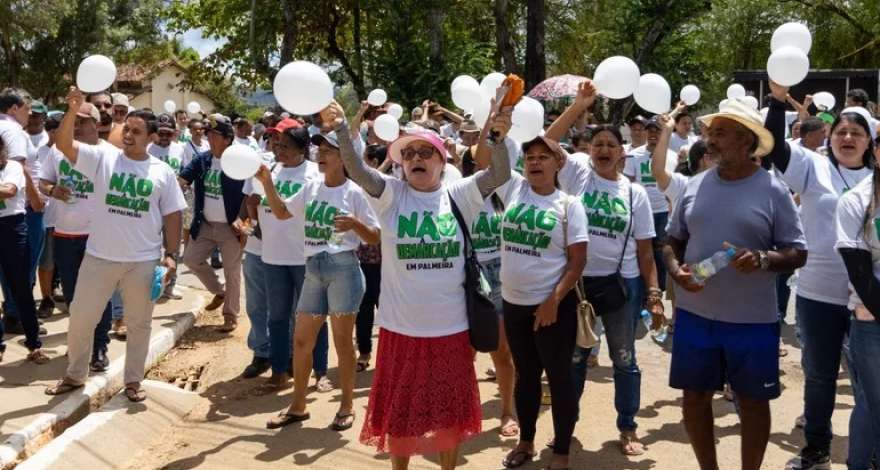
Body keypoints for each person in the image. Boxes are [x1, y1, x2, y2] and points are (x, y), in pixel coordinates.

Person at [330, 92, 511, 469]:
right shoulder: (391, 194)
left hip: (451, 330)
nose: (416, 159)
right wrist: (342, 129)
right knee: (402, 416)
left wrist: (496, 136)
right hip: (401, 331)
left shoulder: (459, 194)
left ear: (442, 161)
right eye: (408, 154)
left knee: (448, 416)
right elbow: (357, 170)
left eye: (425, 152)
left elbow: (498, 175)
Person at [664, 98, 807, 470]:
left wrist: (762, 258)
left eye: (721, 133)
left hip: (752, 320)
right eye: (710, 133)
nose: (710, 141)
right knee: (694, 398)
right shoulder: (694, 185)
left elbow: (797, 252)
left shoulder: (773, 190)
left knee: (754, 403)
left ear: (746, 141)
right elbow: (672, 240)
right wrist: (675, 270)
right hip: (696, 316)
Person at [46, 87, 186, 402]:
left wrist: (171, 255)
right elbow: (64, 144)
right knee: (80, 318)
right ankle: (75, 375)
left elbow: (173, 215)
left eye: (137, 131)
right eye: (127, 129)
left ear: (151, 137)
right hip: (99, 258)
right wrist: (72, 110)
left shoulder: (162, 172)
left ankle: (133, 381)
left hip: (143, 262)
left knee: (139, 324)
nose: (128, 135)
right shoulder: (103, 158)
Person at [547, 81, 664, 456]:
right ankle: (566, 426)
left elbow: (646, 251)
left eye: (611, 145)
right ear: (590, 150)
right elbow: (548, 141)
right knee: (574, 359)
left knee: (624, 359)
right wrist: (578, 106)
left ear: (622, 154)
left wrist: (654, 294)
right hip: (577, 286)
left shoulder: (635, 193)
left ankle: (627, 427)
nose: (604, 150)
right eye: (598, 144)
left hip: (621, 288)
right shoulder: (579, 174)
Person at [765, 81, 875, 470]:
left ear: (869, 142)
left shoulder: (877, 179)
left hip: (868, 300)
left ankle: (869, 452)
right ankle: (817, 447)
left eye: (857, 132)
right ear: (830, 136)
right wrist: (777, 99)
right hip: (817, 292)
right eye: (841, 131)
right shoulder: (813, 166)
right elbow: (773, 147)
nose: (848, 138)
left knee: (868, 382)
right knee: (819, 376)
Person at [260, 126, 380, 432]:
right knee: (302, 341)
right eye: (319, 150)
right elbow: (281, 212)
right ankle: (298, 406)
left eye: (327, 151)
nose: (320, 155)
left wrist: (354, 224)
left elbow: (375, 237)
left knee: (343, 342)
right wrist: (267, 183)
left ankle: (346, 406)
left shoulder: (354, 192)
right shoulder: (311, 187)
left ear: (343, 157)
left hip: (344, 271)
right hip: (313, 269)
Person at [497, 135, 588, 470]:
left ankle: (561, 450)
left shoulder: (569, 205)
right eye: (530, 157)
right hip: (513, 304)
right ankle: (526, 441)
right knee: (526, 376)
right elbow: (489, 157)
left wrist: (553, 299)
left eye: (543, 157)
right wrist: (498, 127)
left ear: (558, 163)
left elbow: (577, 261)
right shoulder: (514, 189)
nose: (535, 162)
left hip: (552, 308)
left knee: (559, 378)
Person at [243, 119, 331, 391]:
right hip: (273, 257)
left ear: (302, 149)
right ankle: (279, 372)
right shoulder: (268, 171)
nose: (278, 150)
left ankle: (320, 372)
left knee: (313, 316)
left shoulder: (315, 174)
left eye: (285, 146)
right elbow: (254, 201)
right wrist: (251, 218)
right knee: (278, 317)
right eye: (276, 144)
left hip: (306, 257)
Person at [40, 102, 118, 372]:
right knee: (74, 297)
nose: (75, 126)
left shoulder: (111, 154)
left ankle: (99, 347)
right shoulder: (57, 151)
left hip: (98, 236)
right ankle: (81, 344)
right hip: (65, 235)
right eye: (72, 121)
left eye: (82, 121)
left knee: (100, 294)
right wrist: (52, 190)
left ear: (97, 123)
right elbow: (43, 181)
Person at [461, 144, 519, 438]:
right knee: (464, 353)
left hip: (500, 276)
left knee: (502, 351)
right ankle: (463, 410)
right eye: (477, 161)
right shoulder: (457, 197)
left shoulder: (505, 196)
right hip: (468, 276)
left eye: (489, 161)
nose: (484, 165)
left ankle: (508, 410)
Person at [834, 135, 880, 470]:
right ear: (876, 151)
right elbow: (860, 274)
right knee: (873, 404)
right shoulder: (855, 202)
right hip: (872, 322)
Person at [179, 113, 248, 333]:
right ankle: (219, 292)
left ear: (228, 139)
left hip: (231, 228)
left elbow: (251, 195)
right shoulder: (203, 160)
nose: (209, 137)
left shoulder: (240, 162)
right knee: (190, 259)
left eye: (214, 134)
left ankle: (230, 315)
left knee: (232, 272)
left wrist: (245, 224)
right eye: (208, 133)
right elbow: (182, 179)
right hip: (206, 224)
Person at [0, 87, 46, 337]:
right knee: (23, 266)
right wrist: (35, 198)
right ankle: (17, 315)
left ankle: (12, 312)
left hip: (7, 209)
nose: (29, 114)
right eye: (27, 109)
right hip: (21, 208)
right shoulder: (14, 130)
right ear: (14, 108)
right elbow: (19, 167)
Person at [623, 115, 677, 292]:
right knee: (641, 250)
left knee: (661, 251)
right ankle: (644, 287)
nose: (653, 134)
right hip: (640, 211)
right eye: (650, 131)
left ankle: (659, 289)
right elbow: (628, 182)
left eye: (657, 131)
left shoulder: (672, 155)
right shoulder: (634, 155)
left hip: (663, 211)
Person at [355, 144, 387, 372]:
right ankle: (364, 351)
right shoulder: (362, 188)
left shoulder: (393, 188)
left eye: (365, 160)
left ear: (374, 162)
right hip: (365, 257)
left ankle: (386, 355)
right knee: (365, 308)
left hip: (388, 262)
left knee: (387, 309)